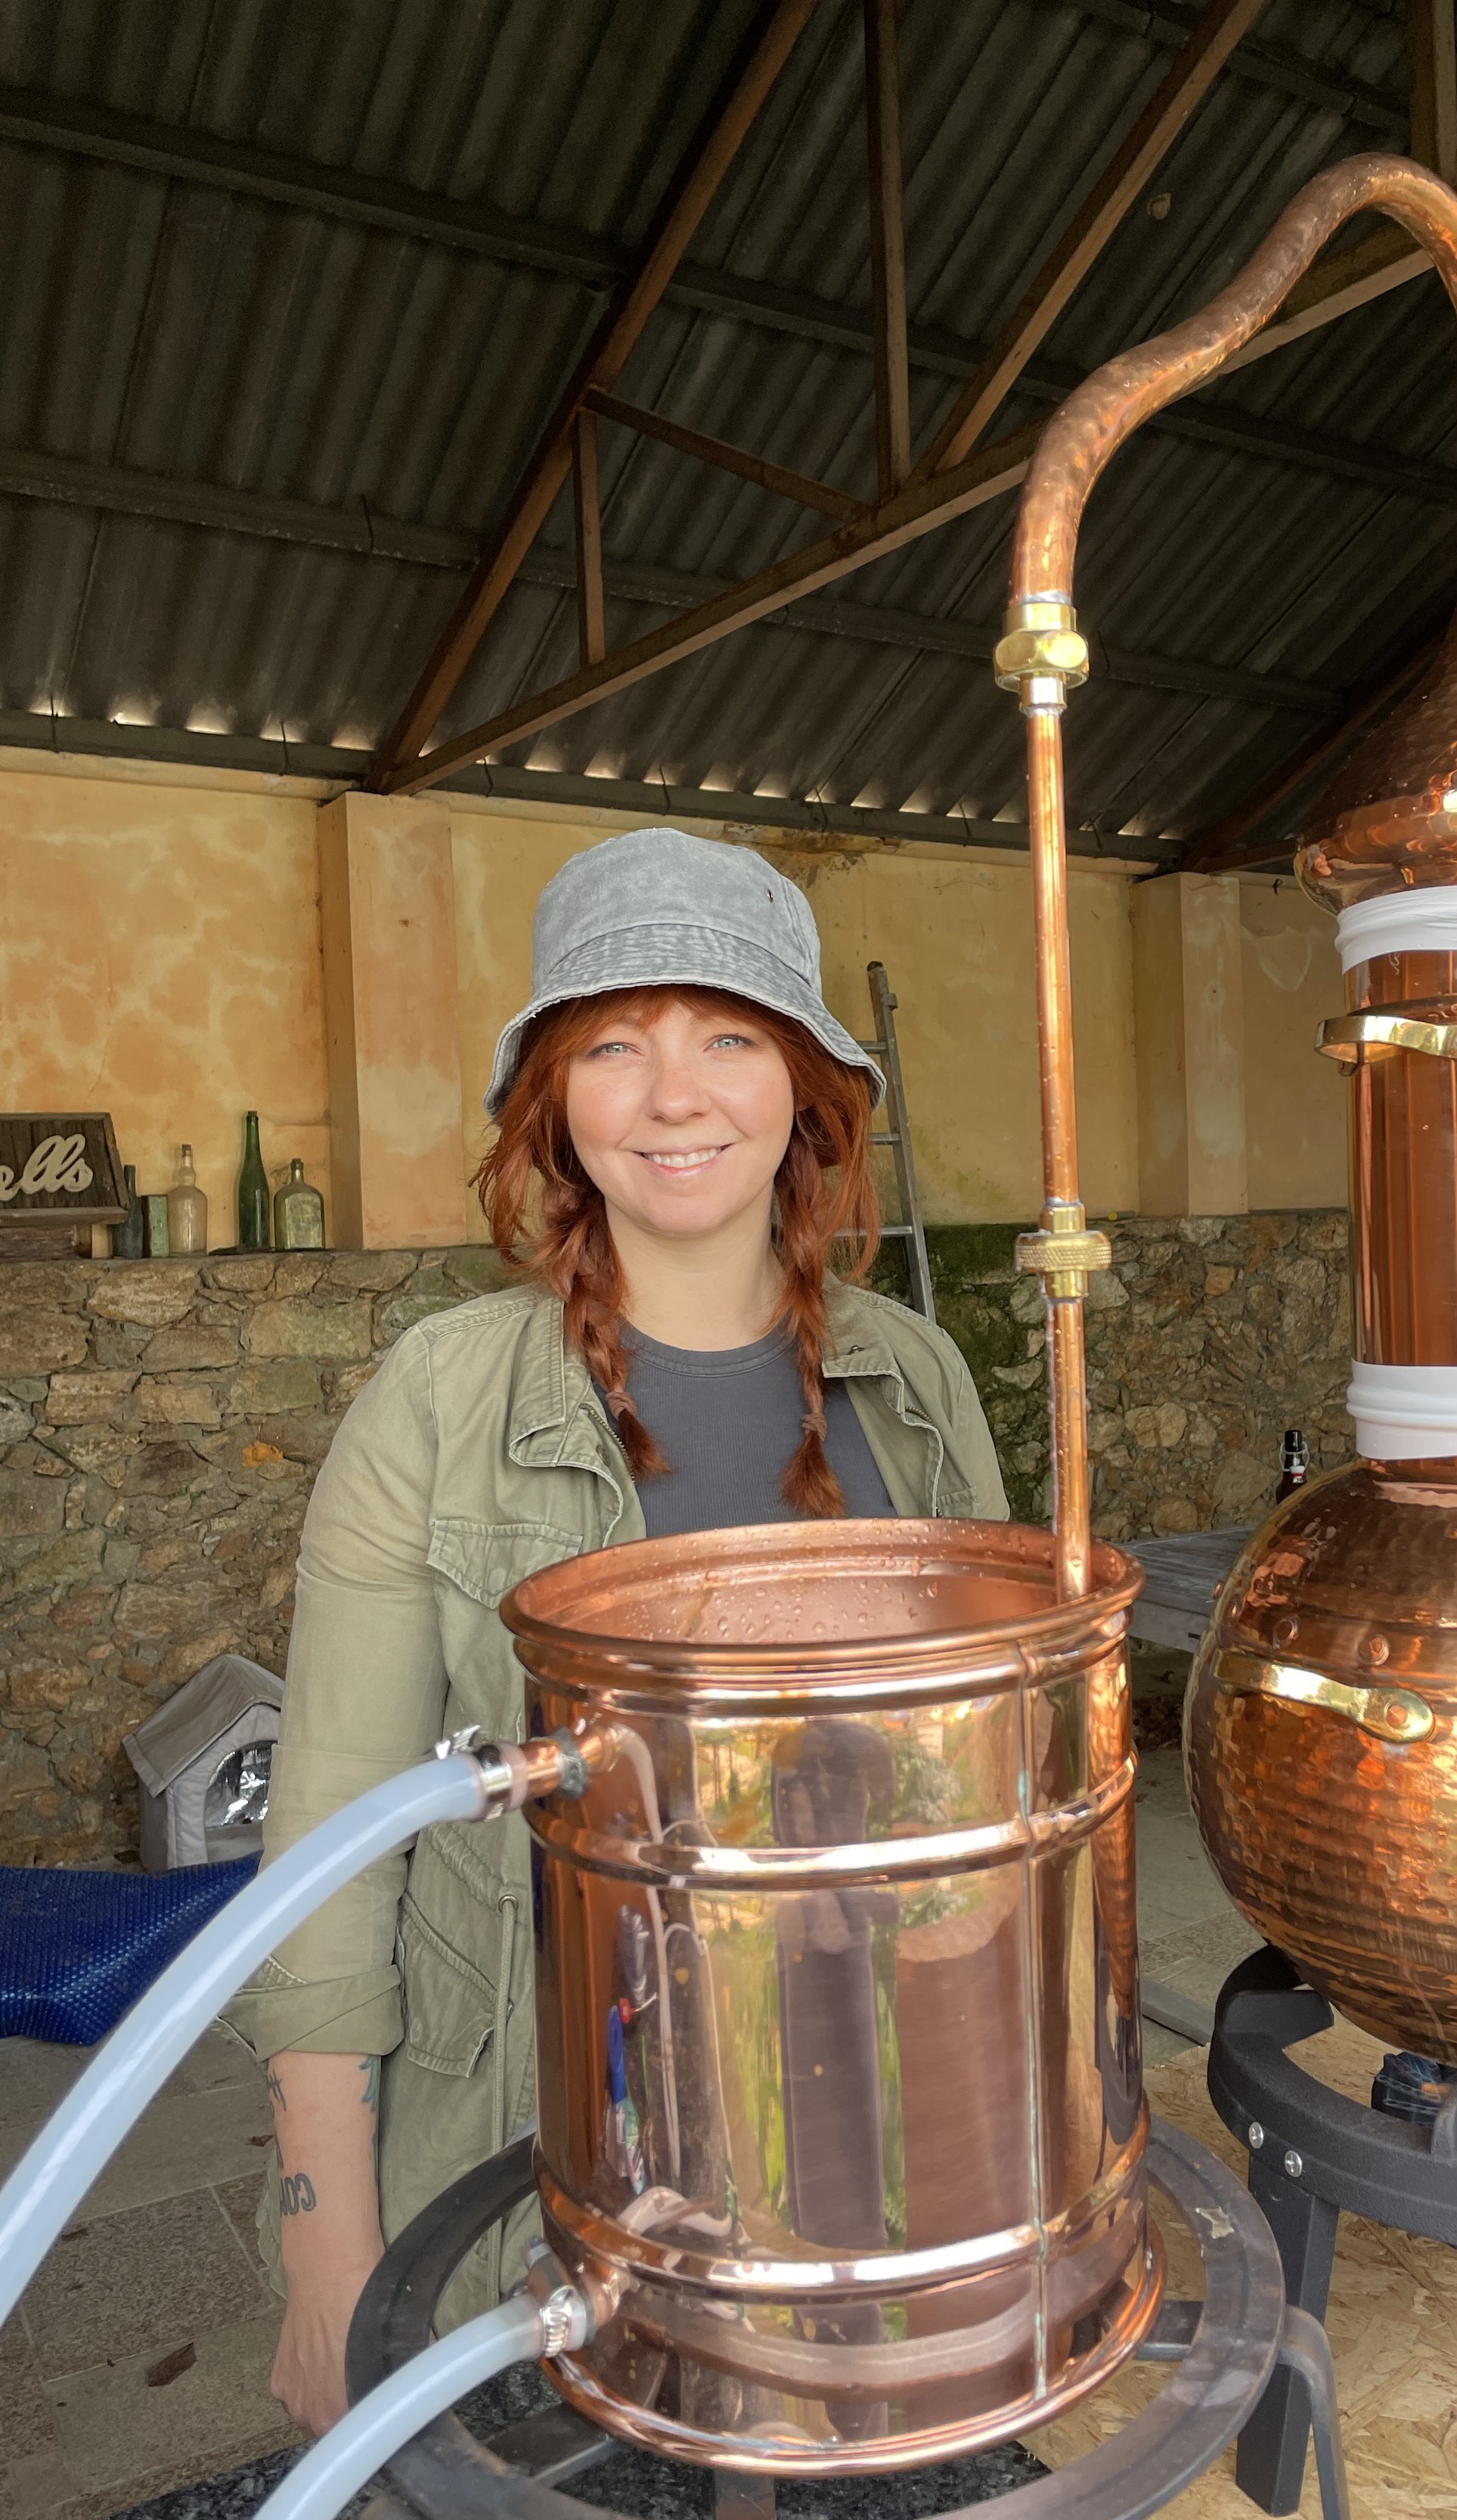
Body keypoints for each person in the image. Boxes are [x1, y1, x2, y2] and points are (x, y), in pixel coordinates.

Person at [223, 829, 1007, 2432]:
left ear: (798, 1082)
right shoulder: (439, 1401)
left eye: (727, 1036)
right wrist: (328, 2233)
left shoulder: (913, 1379)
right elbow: (330, 1841)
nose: (673, 1096)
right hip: (541, 2156)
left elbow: (984, 1782)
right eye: (611, 1044)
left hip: (869, 2148)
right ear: (553, 1102)